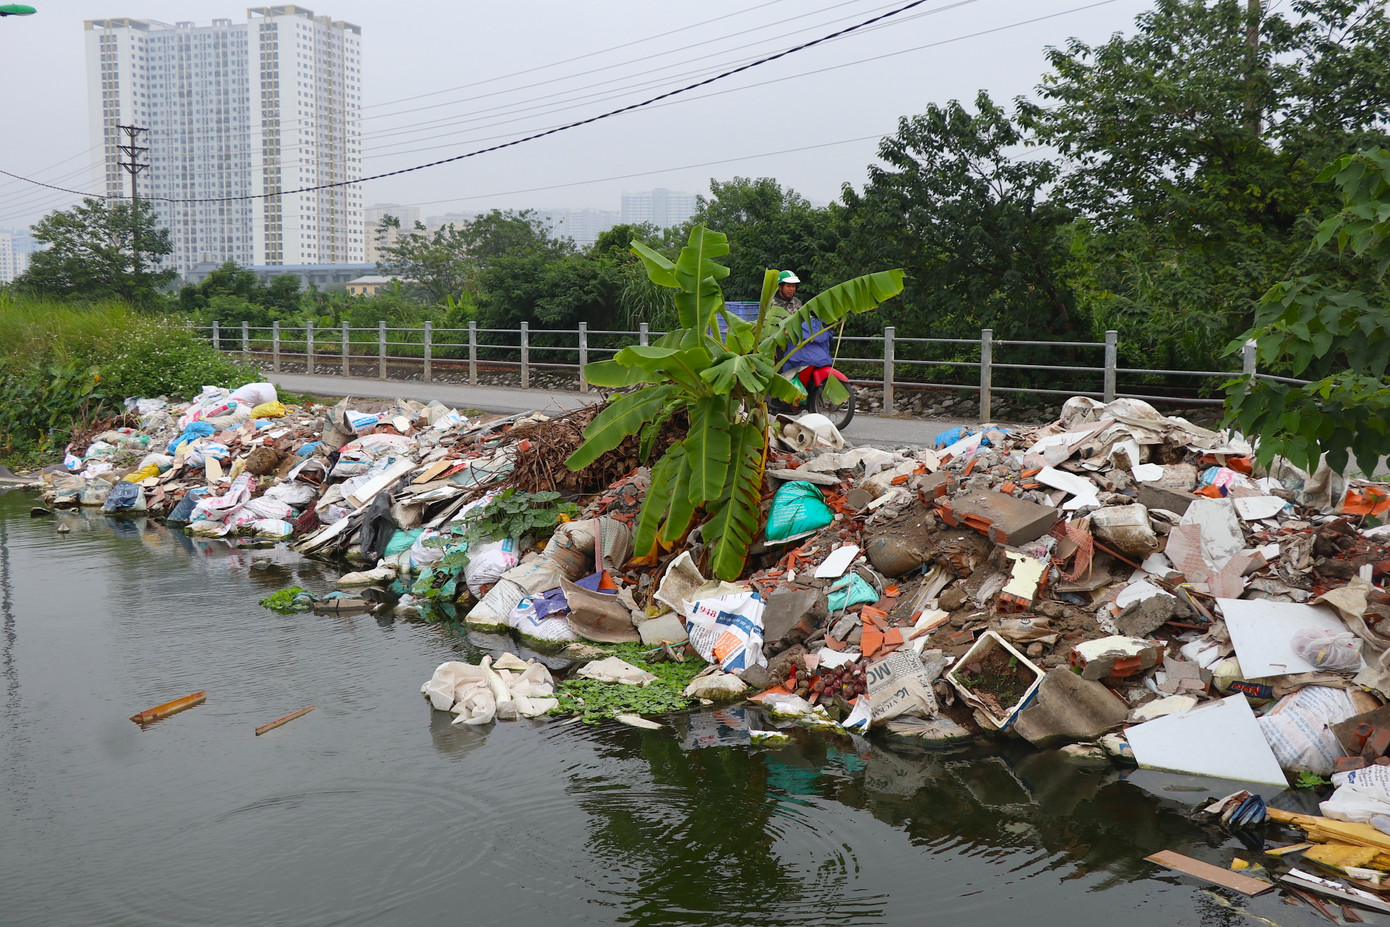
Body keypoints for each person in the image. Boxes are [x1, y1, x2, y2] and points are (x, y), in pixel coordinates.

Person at [774, 270, 832, 374]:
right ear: (780, 287)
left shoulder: (797, 302)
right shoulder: (772, 305)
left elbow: (806, 319)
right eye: (789, 286)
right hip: (779, 347)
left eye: (794, 286)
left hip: (796, 345)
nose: (792, 289)